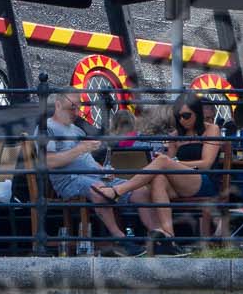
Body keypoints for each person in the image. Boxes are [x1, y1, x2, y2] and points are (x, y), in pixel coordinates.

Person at [94, 91, 224, 251]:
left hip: (204, 181)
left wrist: (172, 163)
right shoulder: (176, 136)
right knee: (158, 177)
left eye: (186, 115)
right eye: (179, 116)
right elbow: (167, 164)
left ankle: (118, 191)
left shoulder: (212, 130)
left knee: (162, 162)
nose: (182, 120)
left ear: (196, 112)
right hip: (180, 183)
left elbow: (206, 163)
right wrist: (167, 160)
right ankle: (169, 237)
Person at [39, 90, 129, 250]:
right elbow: (49, 162)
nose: (76, 112)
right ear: (58, 105)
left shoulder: (77, 130)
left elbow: (88, 160)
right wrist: (80, 149)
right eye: (71, 108)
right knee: (98, 188)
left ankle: (159, 239)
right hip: (70, 179)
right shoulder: (47, 128)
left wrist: (104, 170)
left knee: (140, 189)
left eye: (78, 108)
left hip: (93, 177)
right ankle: (120, 238)